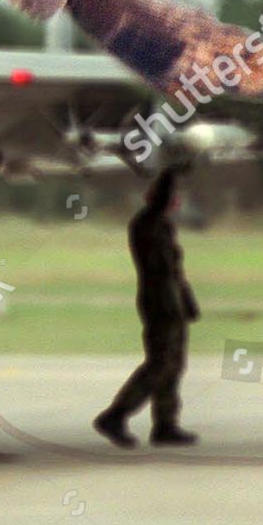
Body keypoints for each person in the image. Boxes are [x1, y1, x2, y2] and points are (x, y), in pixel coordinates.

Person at [94, 168, 201, 448]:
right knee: (160, 364)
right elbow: (163, 270)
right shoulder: (147, 224)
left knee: (174, 364)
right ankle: (115, 415)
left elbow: (175, 271)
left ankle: (165, 424)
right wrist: (170, 170)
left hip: (172, 303)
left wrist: (187, 301)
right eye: (171, 197)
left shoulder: (163, 225)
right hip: (159, 304)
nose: (176, 201)